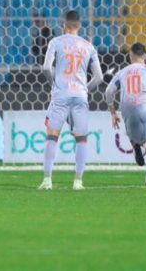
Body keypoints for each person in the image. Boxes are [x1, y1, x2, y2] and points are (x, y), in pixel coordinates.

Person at [39, 10, 103, 191]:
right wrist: (85, 89)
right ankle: (78, 182)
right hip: (80, 95)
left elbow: (45, 67)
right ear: (80, 25)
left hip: (61, 94)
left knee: (52, 136)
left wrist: (54, 84)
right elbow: (98, 77)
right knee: (81, 139)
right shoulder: (88, 46)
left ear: (63, 25)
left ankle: (47, 181)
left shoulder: (56, 42)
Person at [106, 43, 146, 186]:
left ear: (130, 56)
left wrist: (113, 113)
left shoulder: (122, 72)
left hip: (127, 108)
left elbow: (109, 92)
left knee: (133, 132)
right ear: (145, 56)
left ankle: (135, 145)